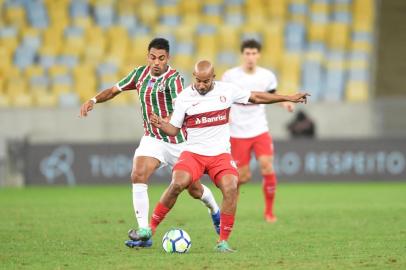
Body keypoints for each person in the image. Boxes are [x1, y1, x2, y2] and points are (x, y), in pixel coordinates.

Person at [139, 60, 309, 252]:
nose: (201, 85)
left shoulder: (226, 91)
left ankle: (223, 241)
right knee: (178, 183)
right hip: (193, 153)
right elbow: (174, 129)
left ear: (213, 77)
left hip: (220, 155)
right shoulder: (184, 97)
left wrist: (288, 97)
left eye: (205, 81)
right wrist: (162, 124)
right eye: (198, 81)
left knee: (231, 187)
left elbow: (255, 97)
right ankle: (149, 229)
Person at [79, 38, 220, 248]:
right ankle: (144, 233)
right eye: (153, 57)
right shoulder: (139, 74)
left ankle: (215, 211)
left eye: (161, 58)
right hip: (153, 138)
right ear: (148, 57)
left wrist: (165, 121)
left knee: (194, 190)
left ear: (167, 59)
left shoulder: (174, 79)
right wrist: (93, 100)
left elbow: (181, 108)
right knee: (138, 173)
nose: (156, 62)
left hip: (178, 142)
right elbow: (114, 89)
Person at [222, 39, 293, 223]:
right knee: (241, 177)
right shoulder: (230, 76)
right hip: (237, 133)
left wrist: (284, 102)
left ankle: (269, 212)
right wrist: (225, 114)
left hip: (260, 130)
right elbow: (221, 98)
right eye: (247, 53)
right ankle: (230, 210)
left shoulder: (267, 76)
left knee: (267, 165)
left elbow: (271, 95)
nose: (250, 57)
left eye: (254, 53)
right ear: (242, 55)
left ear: (259, 55)